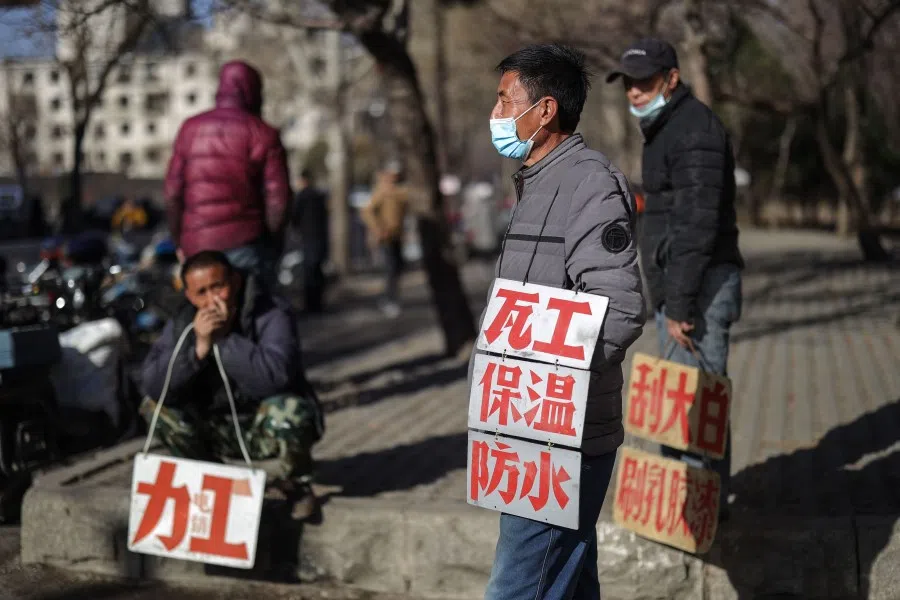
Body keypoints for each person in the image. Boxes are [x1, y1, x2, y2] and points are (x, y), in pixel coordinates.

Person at [480, 44, 645, 600]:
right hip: (523, 424)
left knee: (517, 585)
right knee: (568, 580)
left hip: (560, 434)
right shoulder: (535, 183)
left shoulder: (589, 184)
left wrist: (555, 384)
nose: (496, 113)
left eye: (506, 100)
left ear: (545, 110)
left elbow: (619, 308)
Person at [606, 38, 744, 515]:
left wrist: (680, 306)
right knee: (680, 407)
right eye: (629, 84)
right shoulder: (666, 128)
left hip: (700, 291)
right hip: (683, 289)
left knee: (694, 409)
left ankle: (700, 514)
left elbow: (698, 224)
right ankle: (687, 510)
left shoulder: (694, 131)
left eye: (644, 82)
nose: (635, 93)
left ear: (671, 78)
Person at [139, 250, 324, 518]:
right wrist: (198, 350)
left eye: (219, 287)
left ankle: (297, 486)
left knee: (291, 410)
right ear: (190, 296)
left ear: (235, 281)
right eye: (201, 292)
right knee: (155, 409)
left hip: (259, 426)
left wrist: (224, 340)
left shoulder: (271, 312)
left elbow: (274, 378)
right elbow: (154, 384)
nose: (212, 299)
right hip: (214, 426)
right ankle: (215, 480)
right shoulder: (182, 322)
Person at [164, 60, 292, 289]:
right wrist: (272, 244)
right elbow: (278, 201)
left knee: (203, 317)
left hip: (197, 247)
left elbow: (173, 192)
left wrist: (180, 241)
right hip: (246, 243)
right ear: (253, 91)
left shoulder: (189, 129)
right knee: (257, 315)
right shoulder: (263, 133)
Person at [361, 162, 409, 318]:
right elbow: (367, 211)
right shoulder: (381, 191)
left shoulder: (398, 191)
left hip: (397, 236)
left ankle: (392, 297)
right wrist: (378, 229)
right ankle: (388, 300)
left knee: (397, 269)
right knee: (391, 269)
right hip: (386, 237)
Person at [291, 169, 329, 313]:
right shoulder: (318, 195)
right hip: (319, 237)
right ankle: (318, 303)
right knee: (317, 270)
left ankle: (310, 304)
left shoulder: (301, 197)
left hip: (308, 238)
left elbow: (294, 217)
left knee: (309, 272)